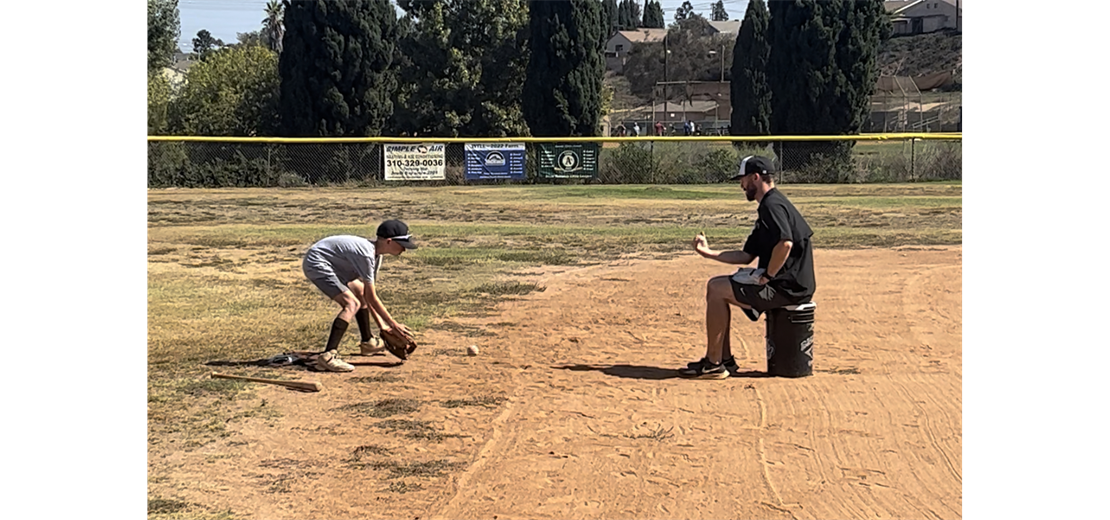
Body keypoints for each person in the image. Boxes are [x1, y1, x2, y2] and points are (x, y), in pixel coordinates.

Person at [681, 156, 816, 379]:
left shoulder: (772, 206)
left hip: (788, 288)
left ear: (755, 177)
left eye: (743, 179)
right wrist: (709, 253)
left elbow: (785, 243)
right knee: (717, 286)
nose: (741, 185)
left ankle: (714, 364)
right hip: (789, 284)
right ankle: (723, 360)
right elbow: (746, 256)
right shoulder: (772, 204)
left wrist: (768, 275)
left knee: (716, 289)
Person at [301, 219, 419, 372]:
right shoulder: (366, 255)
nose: (404, 249)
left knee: (360, 292)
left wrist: (383, 327)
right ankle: (328, 356)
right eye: (402, 245)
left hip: (333, 265)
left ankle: (368, 342)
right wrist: (393, 324)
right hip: (317, 263)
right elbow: (373, 298)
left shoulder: (376, 255)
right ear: (389, 242)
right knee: (351, 304)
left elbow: (368, 295)